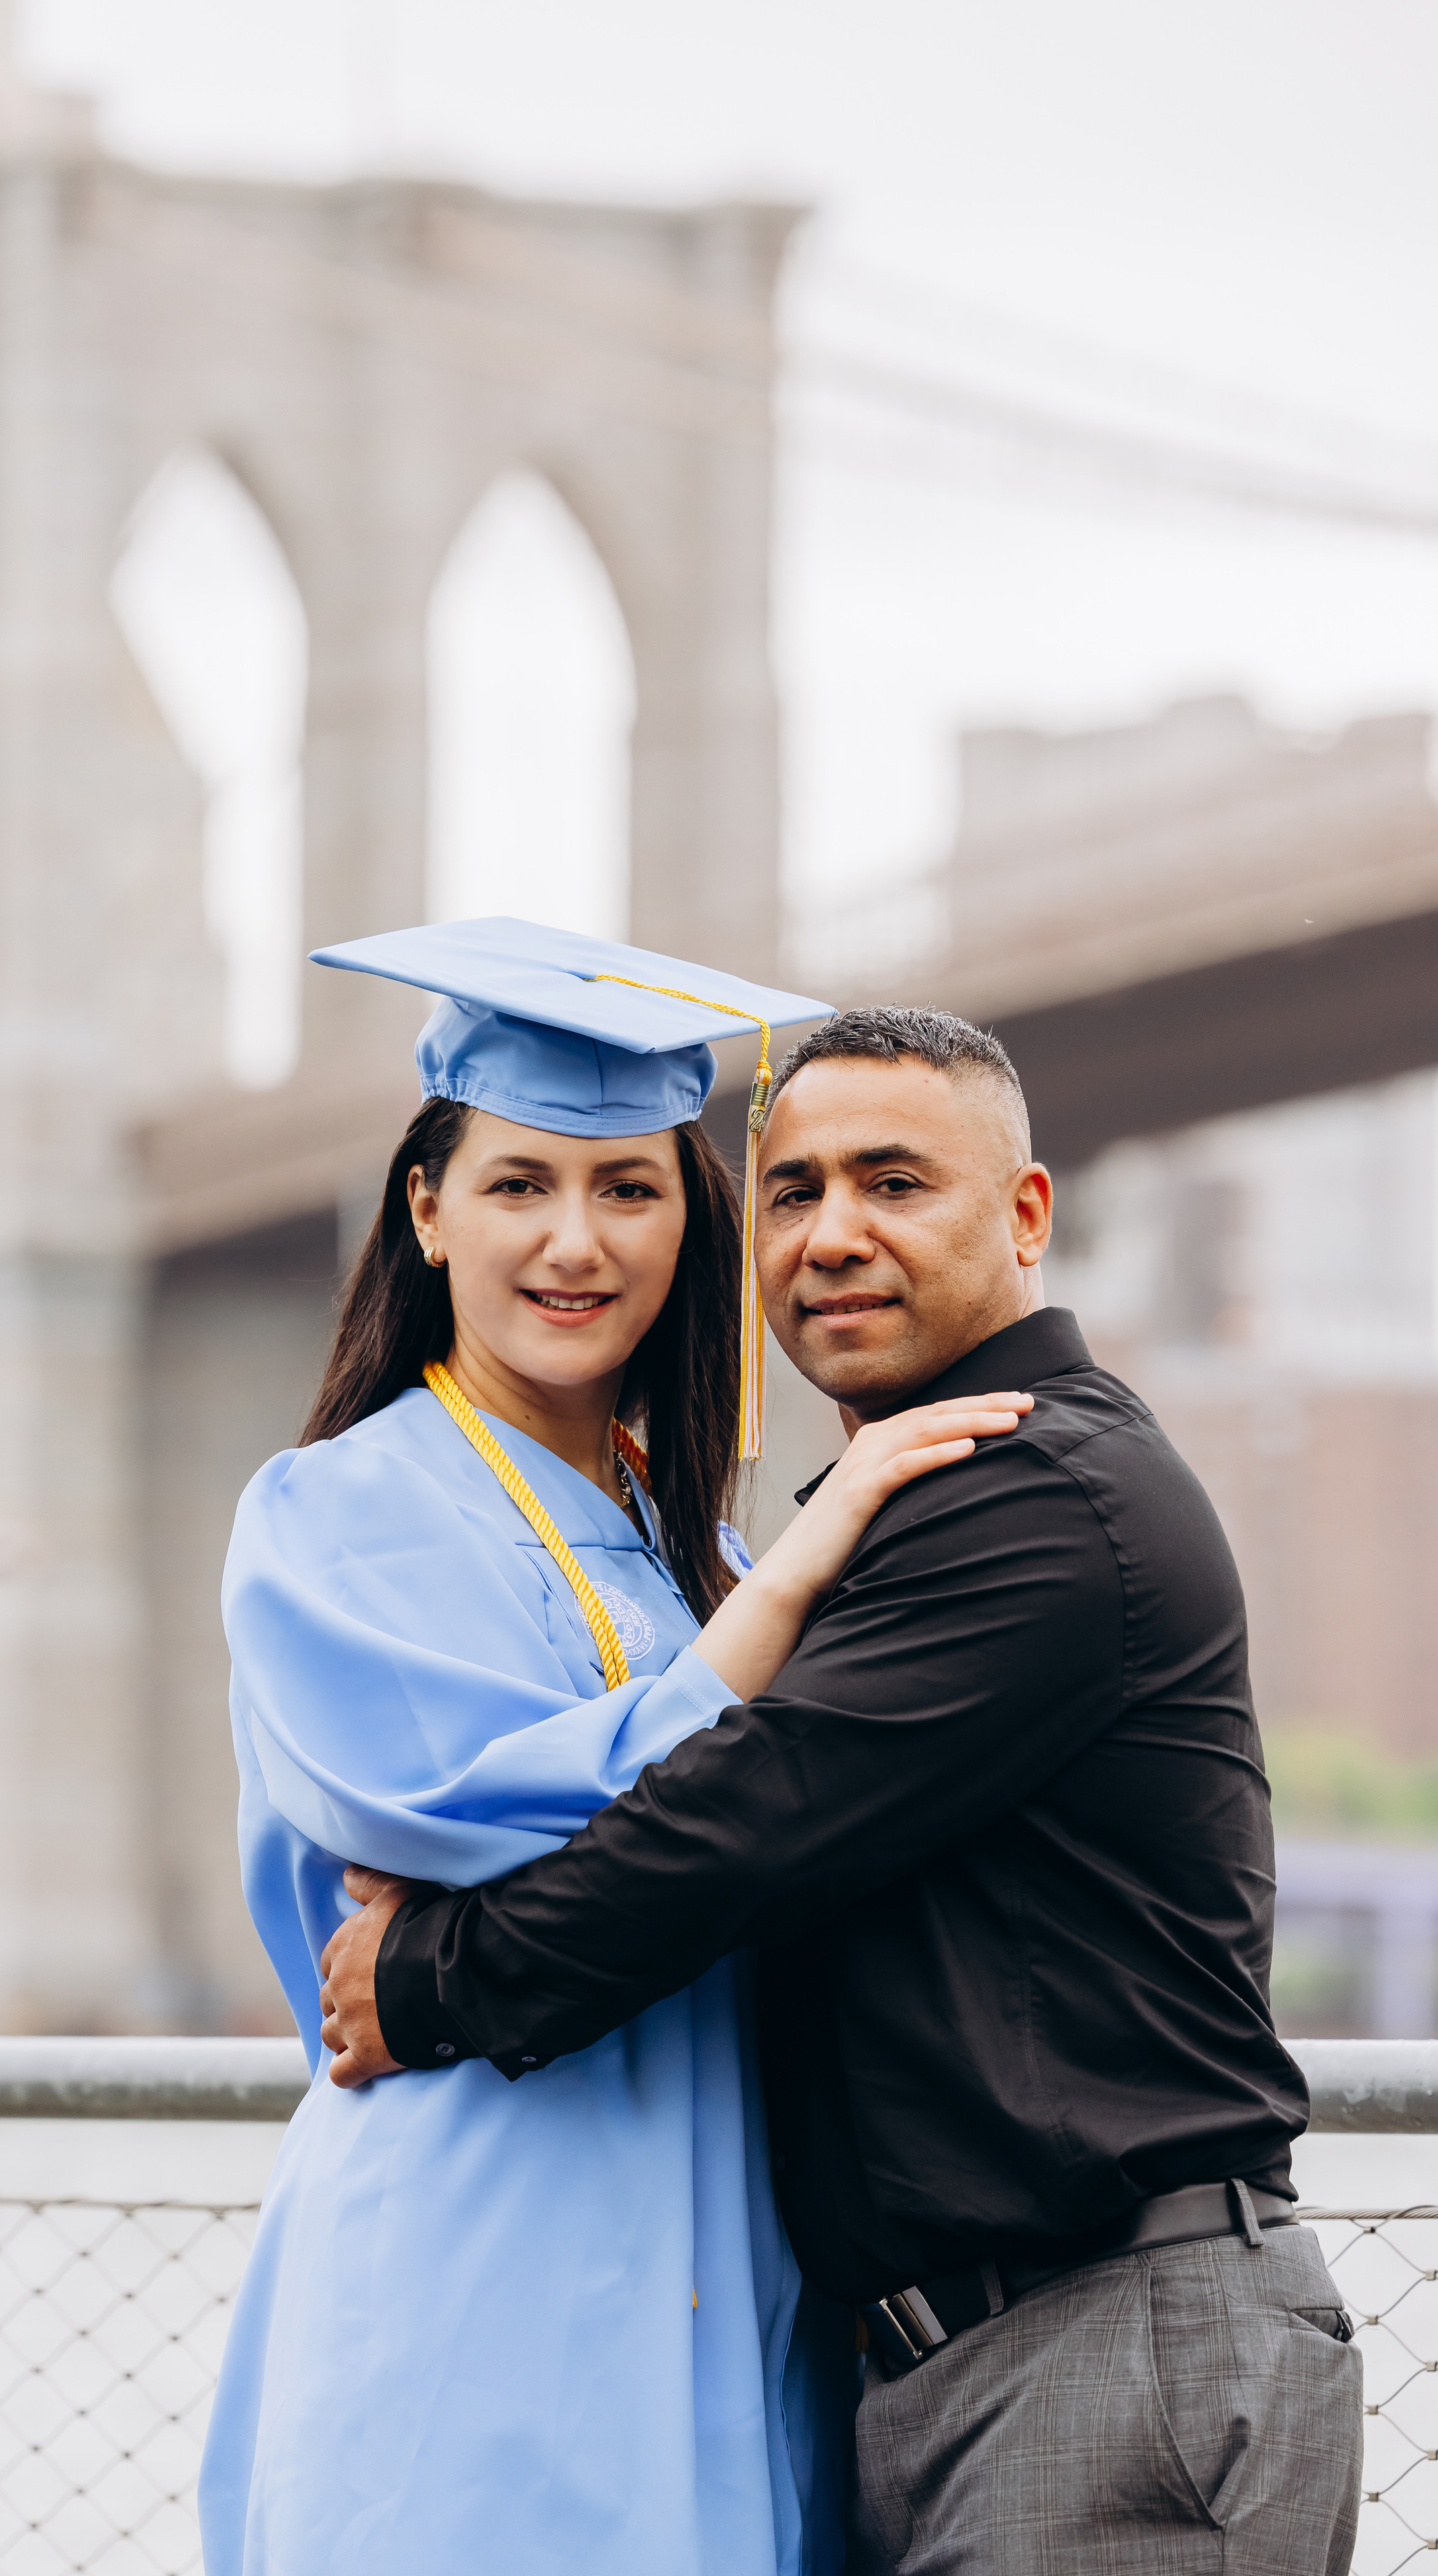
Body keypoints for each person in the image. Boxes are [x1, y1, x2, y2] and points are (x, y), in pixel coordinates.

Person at [322, 1003, 1365, 2576]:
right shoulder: (907, 1502)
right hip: (954, 2370)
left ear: (1022, 1214)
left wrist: (427, 1975)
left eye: (892, 1181)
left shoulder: (1037, 1489)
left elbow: (738, 1821)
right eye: (794, 1190)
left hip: (1105, 2354)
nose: (831, 1235)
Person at [199, 926, 1032, 2576]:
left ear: (686, 1222)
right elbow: (496, 1825)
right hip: (480, 2236)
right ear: (425, 1211)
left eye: (627, 1189)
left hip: (731, 2259)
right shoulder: (336, 1512)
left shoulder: (682, 1551)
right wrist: (805, 1561)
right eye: (517, 1186)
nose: (574, 1242)